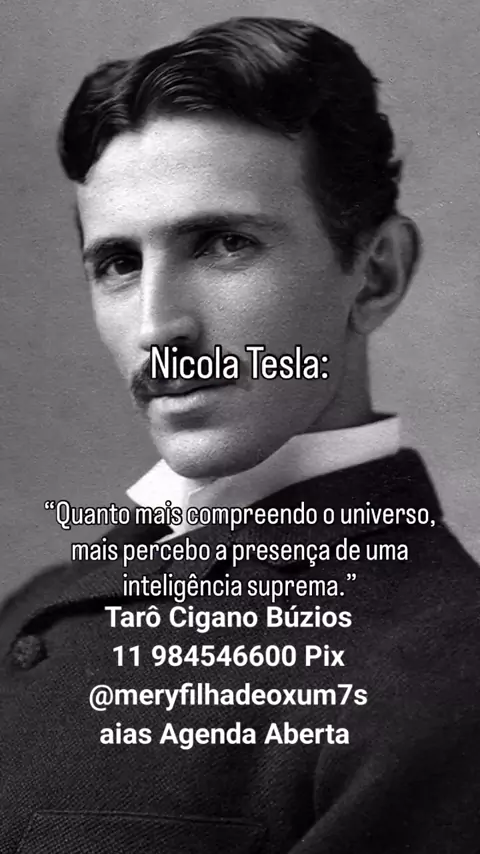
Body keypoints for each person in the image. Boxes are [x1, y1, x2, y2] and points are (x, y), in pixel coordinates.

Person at [1, 16, 479, 854]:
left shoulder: (444, 668)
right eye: (119, 263)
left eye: (225, 244)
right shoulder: (36, 603)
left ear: (375, 276)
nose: (158, 327)